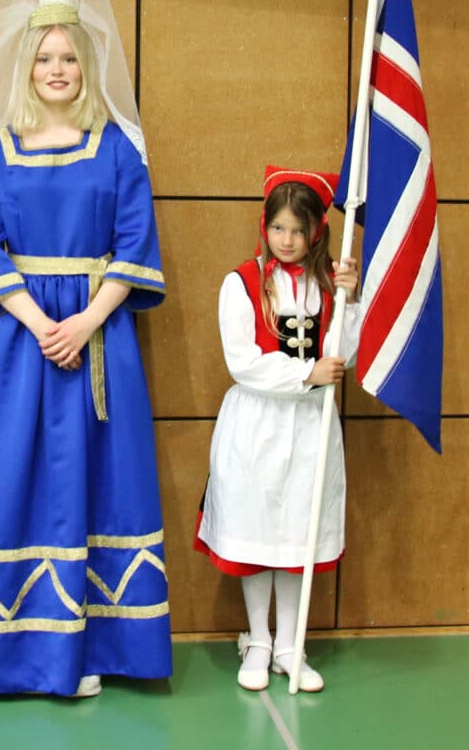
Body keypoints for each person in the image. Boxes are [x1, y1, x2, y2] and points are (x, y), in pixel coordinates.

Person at [0, 0, 172, 697]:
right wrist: (45, 324)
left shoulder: (118, 149)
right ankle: (19, 647)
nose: (58, 69)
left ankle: (95, 644)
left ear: (86, 65)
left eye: (69, 57)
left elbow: (134, 245)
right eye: (45, 58)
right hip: (20, 345)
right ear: (27, 68)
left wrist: (86, 323)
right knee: (19, 477)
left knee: (99, 480)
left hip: (100, 343)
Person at [194, 166, 360, 693]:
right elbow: (242, 361)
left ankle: (290, 644)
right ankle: (259, 640)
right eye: (278, 228)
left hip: (311, 426)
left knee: (295, 536)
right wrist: (304, 374)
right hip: (257, 424)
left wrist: (351, 302)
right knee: (258, 532)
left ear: (316, 231)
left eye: (298, 230)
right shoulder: (242, 282)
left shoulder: (327, 284)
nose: (287, 240)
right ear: (264, 226)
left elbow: (344, 357)